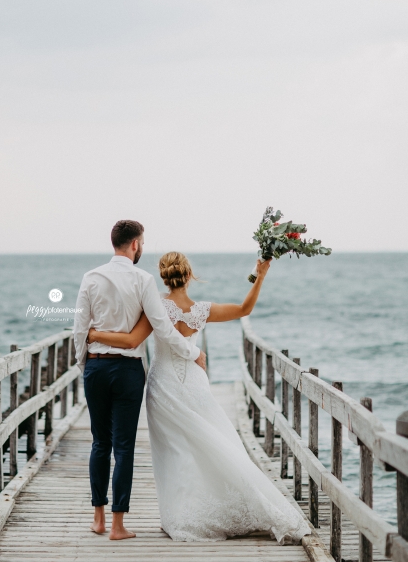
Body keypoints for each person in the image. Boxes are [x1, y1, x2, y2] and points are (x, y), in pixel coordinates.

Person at [88, 251, 311, 544]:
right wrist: (260, 274)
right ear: (189, 275)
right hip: (194, 384)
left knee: (174, 452)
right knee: (212, 443)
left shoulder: (155, 308)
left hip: (162, 385)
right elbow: (245, 309)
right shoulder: (202, 310)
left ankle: (181, 516)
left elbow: (131, 340)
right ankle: (222, 506)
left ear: (164, 277)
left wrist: (93, 334)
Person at [73, 222, 207, 541]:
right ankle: (118, 527)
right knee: (124, 447)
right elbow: (162, 328)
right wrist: (193, 352)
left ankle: (98, 519)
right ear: (134, 245)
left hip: (96, 366)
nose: (142, 247)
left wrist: (85, 363)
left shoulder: (91, 277)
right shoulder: (143, 279)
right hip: (128, 371)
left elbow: (80, 328)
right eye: (142, 242)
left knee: (99, 442)